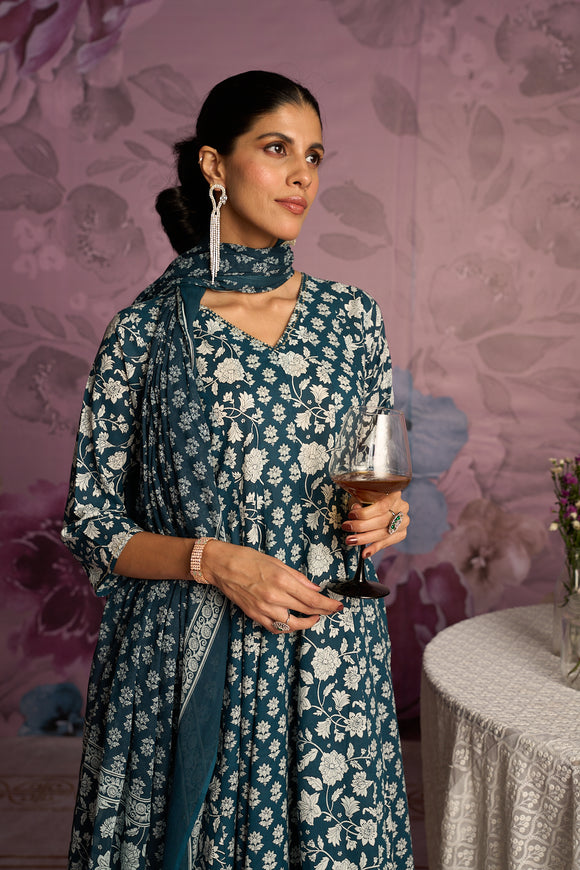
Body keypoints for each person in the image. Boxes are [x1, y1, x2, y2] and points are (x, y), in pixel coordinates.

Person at [62, 70, 413, 870]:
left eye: (314, 156)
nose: (302, 175)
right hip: (190, 661)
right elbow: (92, 524)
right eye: (277, 149)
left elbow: (381, 473)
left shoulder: (353, 319)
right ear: (215, 165)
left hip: (330, 662)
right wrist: (216, 562)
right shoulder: (146, 333)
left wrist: (390, 513)